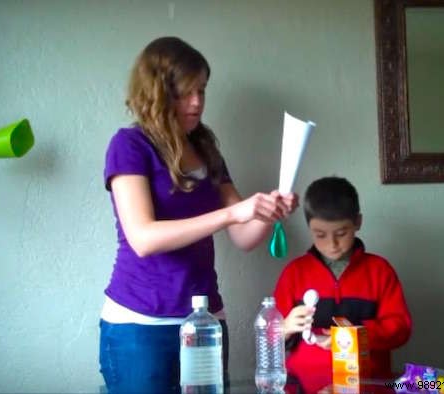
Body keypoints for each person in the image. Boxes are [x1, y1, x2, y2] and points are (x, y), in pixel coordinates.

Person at [98, 36, 298, 394]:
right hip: (141, 325)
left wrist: (268, 211)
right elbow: (143, 238)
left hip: (206, 320)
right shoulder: (130, 146)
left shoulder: (205, 148)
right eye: (184, 93)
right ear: (156, 93)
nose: (196, 103)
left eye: (202, 91)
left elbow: (244, 237)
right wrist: (232, 214)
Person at [273, 176, 411, 389]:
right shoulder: (295, 273)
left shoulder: (379, 271)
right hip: (303, 386)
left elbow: (400, 329)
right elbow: (268, 340)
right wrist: (284, 328)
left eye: (341, 233)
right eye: (320, 235)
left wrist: (356, 335)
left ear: (358, 222)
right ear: (309, 228)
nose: (332, 244)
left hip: (367, 384)